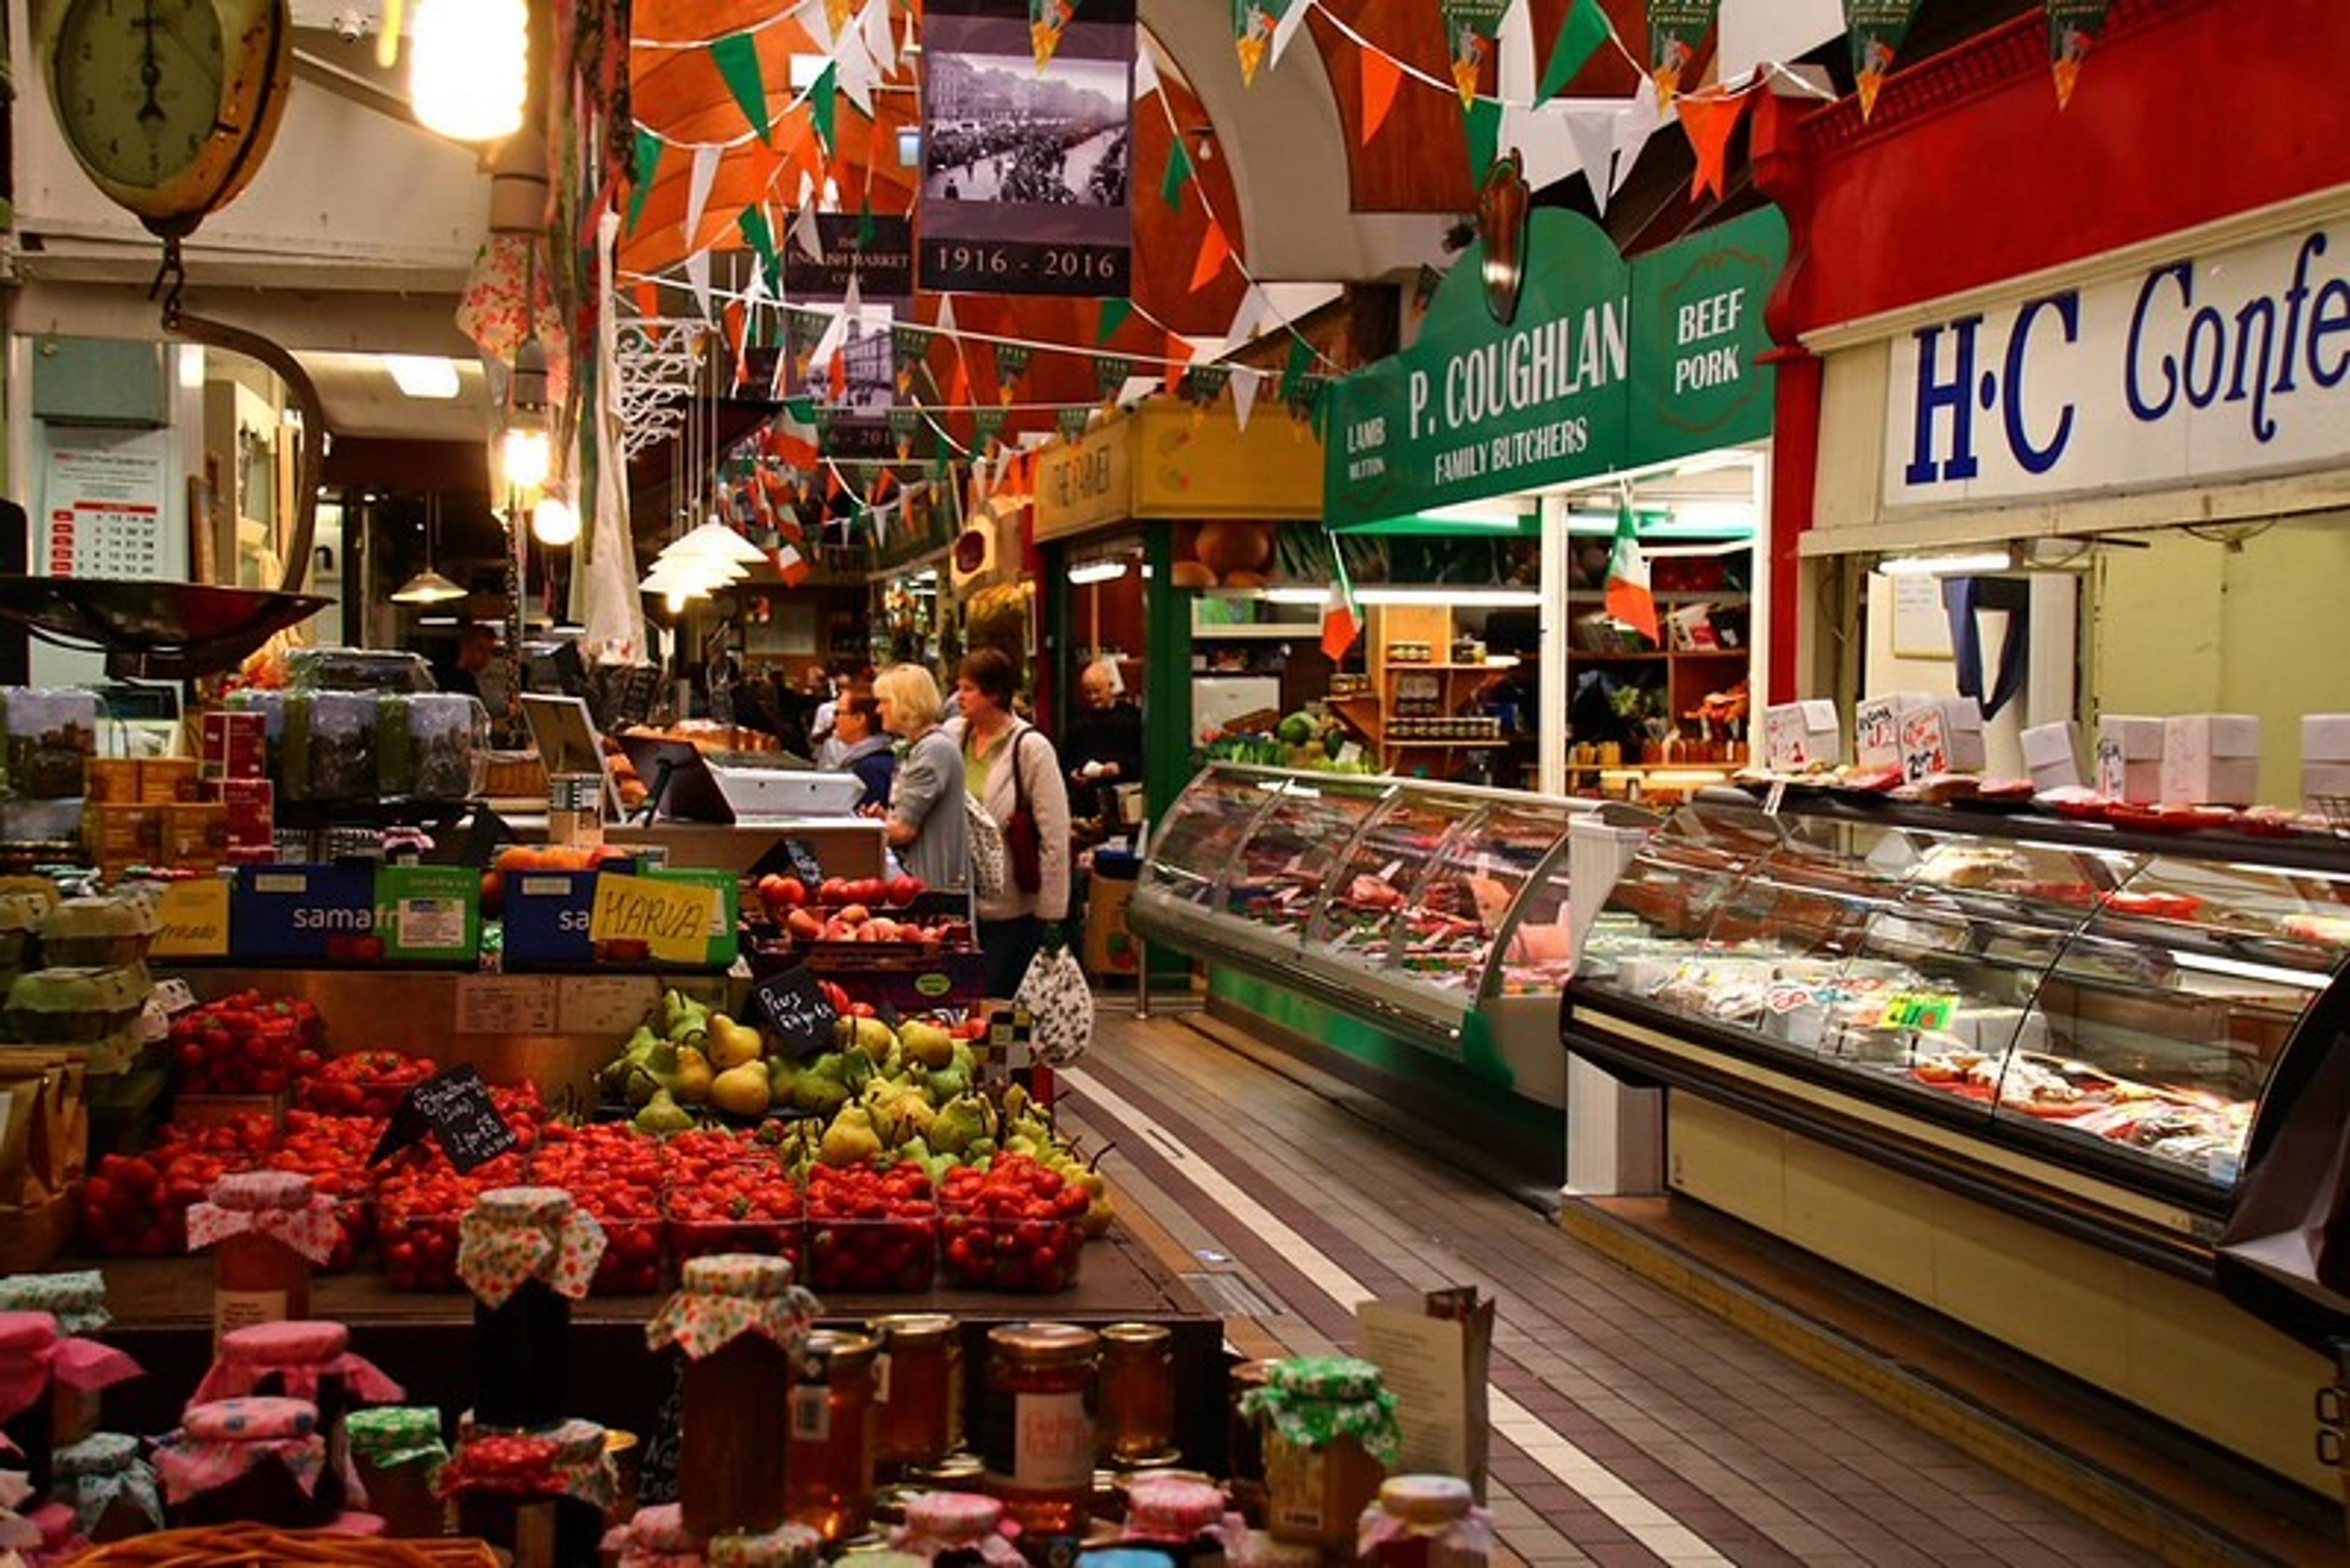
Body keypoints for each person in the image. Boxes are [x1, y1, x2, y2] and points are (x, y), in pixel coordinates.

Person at [947, 648, 1070, 1000]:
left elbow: (1054, 833)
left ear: (994, 695)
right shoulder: (955, 736)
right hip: (958, 897)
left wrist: (1051, 911)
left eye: (969, 689)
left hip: (1011, 904)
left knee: (996, 1000)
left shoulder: (1031, 748)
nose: (960, 698)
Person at [873, 663, 968, 895]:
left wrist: (863, 833)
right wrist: (886, 819)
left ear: (903, 703)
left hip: (930, 883)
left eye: (883, 701)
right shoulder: (927, 746)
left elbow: (905, 830)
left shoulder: (933, 750)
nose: (878, 710)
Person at [1062, 657, 1144, 832]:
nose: (1093, 698)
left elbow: (1144, 758)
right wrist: (1073, 773)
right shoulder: (1077, 721)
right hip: (1087, 805)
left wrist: (1121, 768)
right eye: (1088, 693)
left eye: (1097, 691)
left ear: (1111, 686)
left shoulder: (1131, 718)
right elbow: (1066, 758)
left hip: (1124, 802)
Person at [826, 685, 896, 810]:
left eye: (839, 713)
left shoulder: (870, 768)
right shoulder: (874, 760)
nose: (835, 720)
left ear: (859, 719)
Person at [436, 625, 497, 701]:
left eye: (490, 651)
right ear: (465, 646)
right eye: (480, 649)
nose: (486, 656)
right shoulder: (458, 682)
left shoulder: (478, 680)